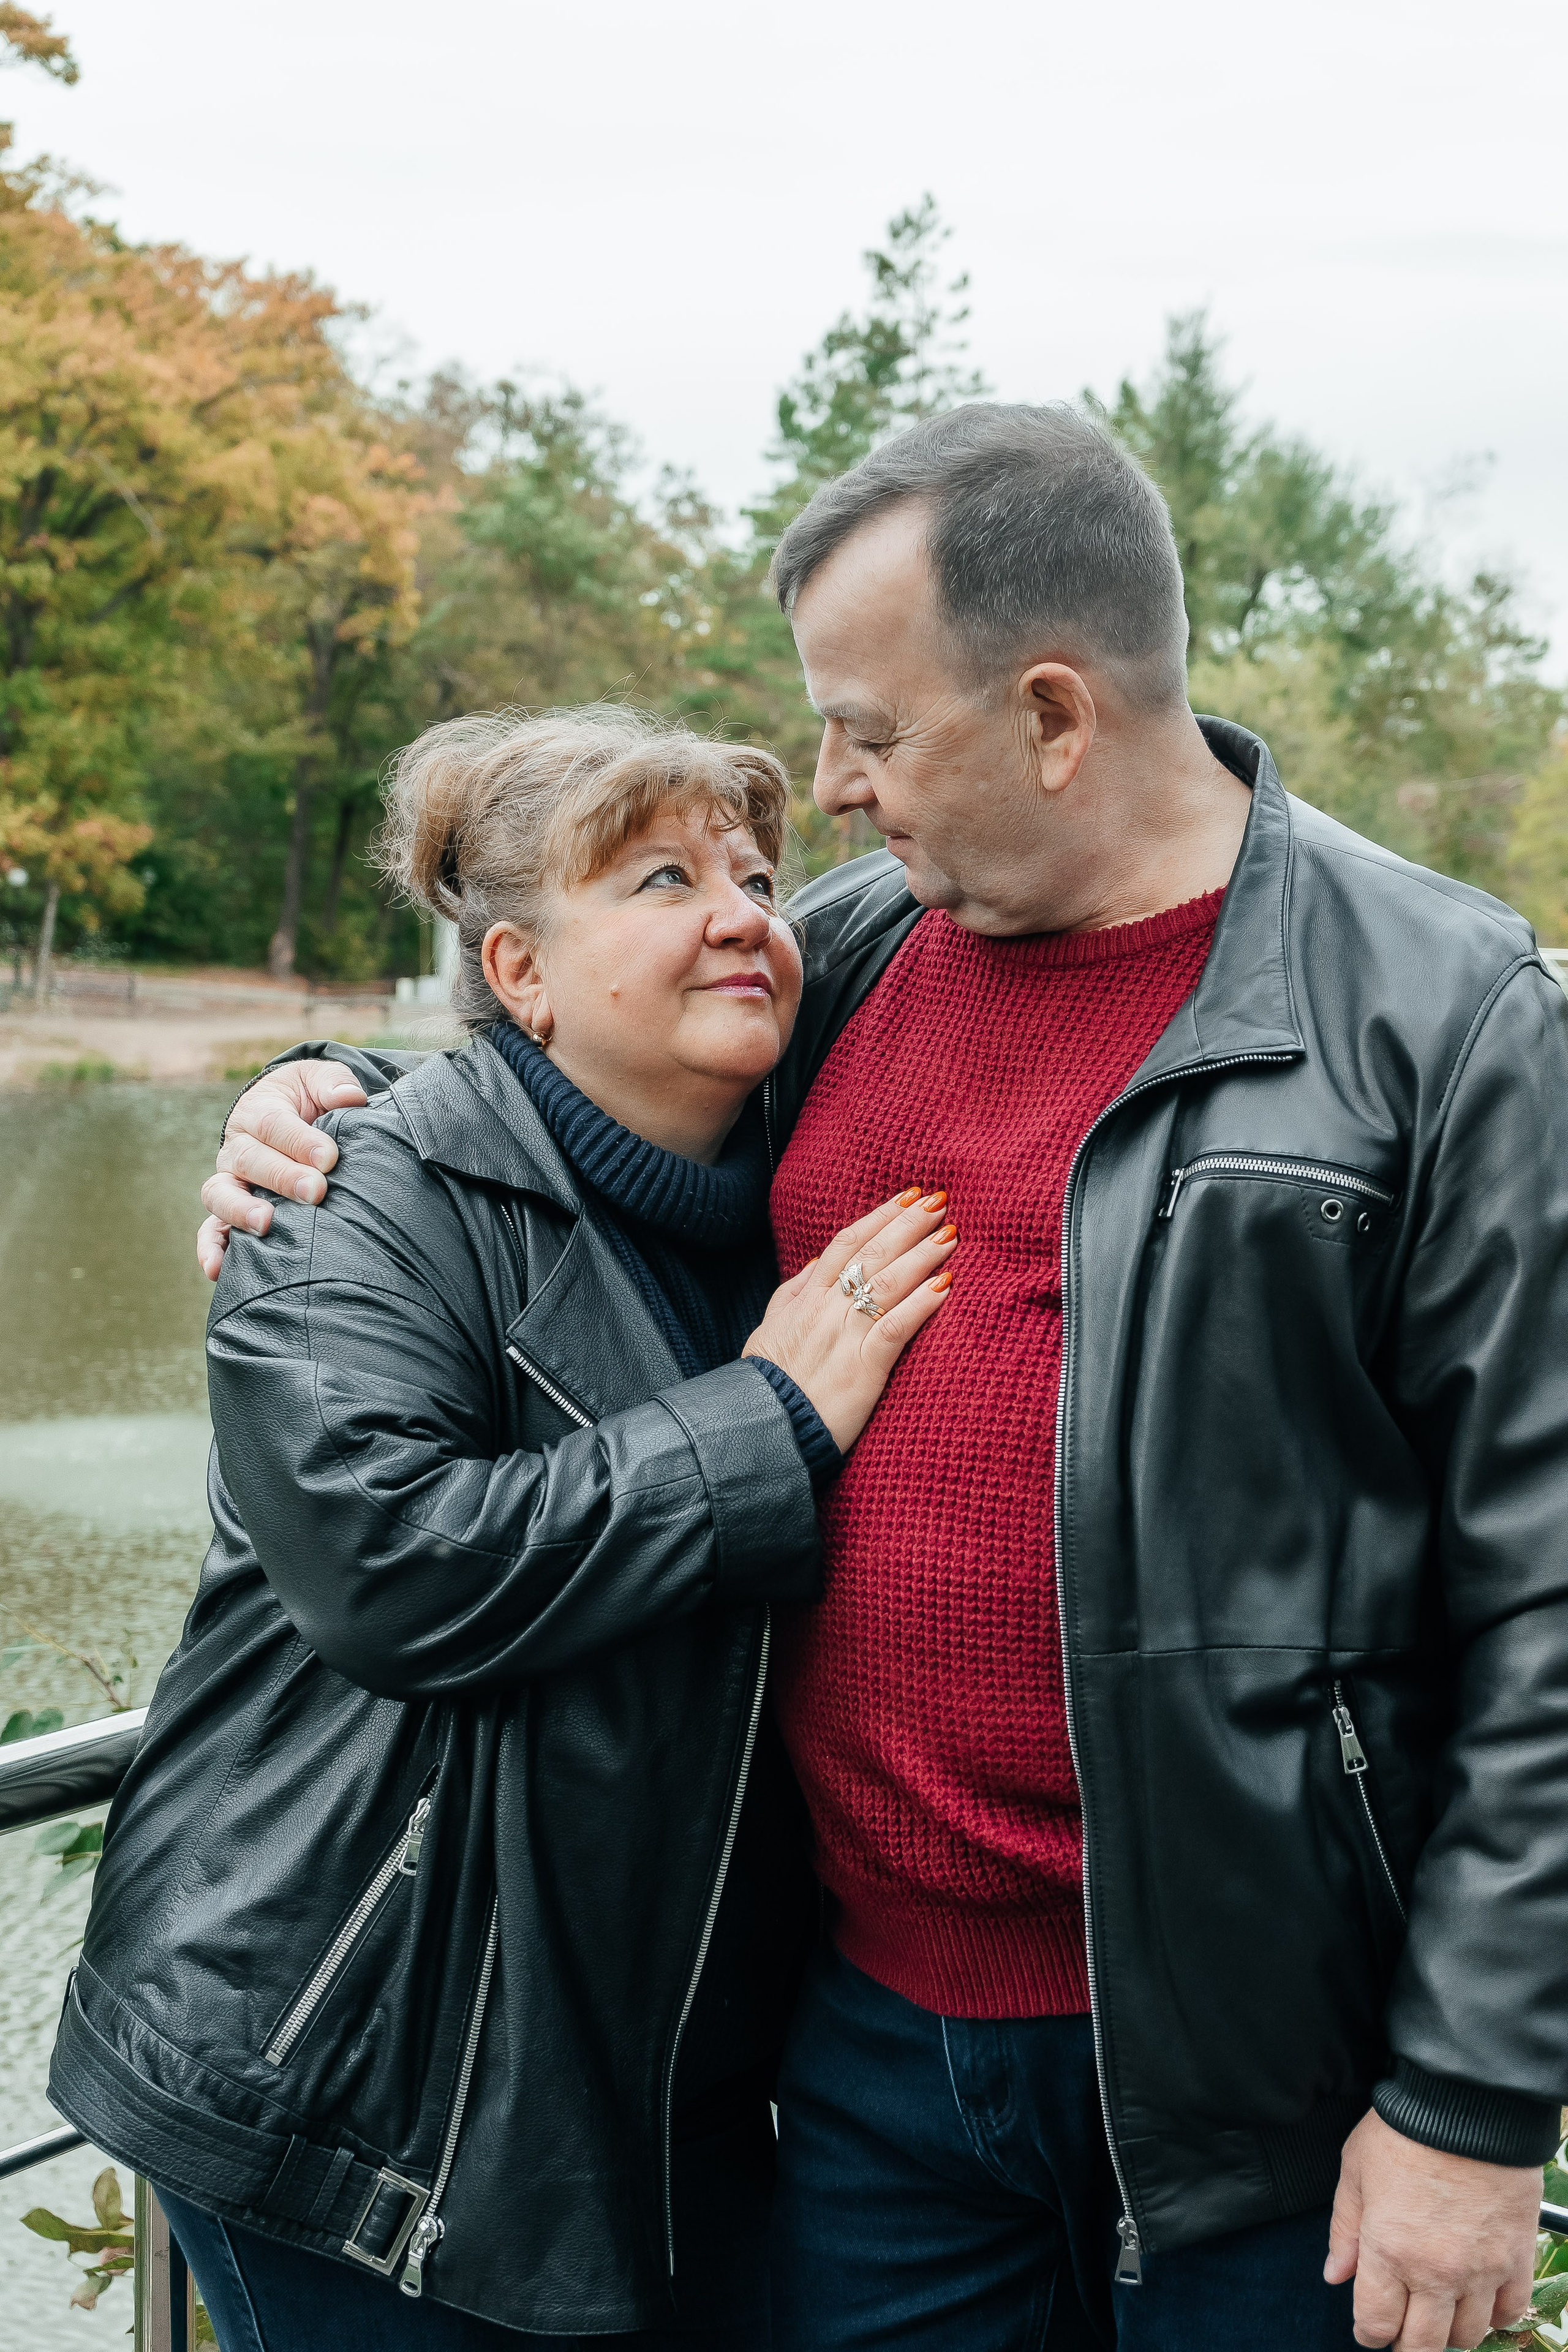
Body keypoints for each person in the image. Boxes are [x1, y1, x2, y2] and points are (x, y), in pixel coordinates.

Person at [199, 405, 1568, 2352]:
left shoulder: (1442, 1016)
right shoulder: (846, 960)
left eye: (869, 729)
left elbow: (1550, 1601)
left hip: (1267, 2092)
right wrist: (315, 1116)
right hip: (859, 2063)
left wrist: (1471, 2100)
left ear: (1055, 716)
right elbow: (572, 1076)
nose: (826, 792)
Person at [50, 708, 959, 2350]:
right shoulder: (340, 1195)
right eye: (664, 876)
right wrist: (766, 1420)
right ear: (522, 974)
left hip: (661, 2076)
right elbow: (397, 1566)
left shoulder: (799, 1196)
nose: (746, 910)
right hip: (357, 2074)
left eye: (756, 873)